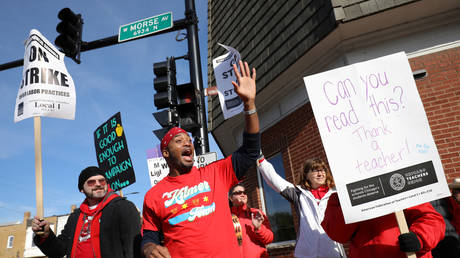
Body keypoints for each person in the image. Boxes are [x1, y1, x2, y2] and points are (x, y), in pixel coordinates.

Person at [141, 60, 260, 258]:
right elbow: (149, 237)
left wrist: (249, 105)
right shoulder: (153, 196)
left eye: (189, 140)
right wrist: (149, 249)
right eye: (179, 141)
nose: (188, 144)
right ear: (166, 153)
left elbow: (250, 150)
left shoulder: (216, 173)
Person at [31, 166, 142, 258]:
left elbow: (133, 249)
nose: (98, 184)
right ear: (81, 189)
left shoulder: (123, 207)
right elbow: (58, 251)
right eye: (91, 182)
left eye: (102, 181)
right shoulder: (76, 216)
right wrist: (45, 236)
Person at [257, 157, 346, 257]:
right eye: (315, 171)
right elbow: (274, 180)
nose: (320, 174)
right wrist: (261, 161)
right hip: (306, 254)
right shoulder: (299, 194)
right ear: (306, 175)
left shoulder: (337, 194)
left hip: (333, 253)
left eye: (323, 170)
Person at [321, 192, 445, 258]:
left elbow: (432, 219)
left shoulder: (402, 187)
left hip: (409, 255)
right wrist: (354, 198)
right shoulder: (340, 198)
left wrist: (419, 238)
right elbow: (337, 233)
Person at [229, 182, 274, 257]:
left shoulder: (256, 213)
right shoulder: (226, 216)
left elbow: (269, 239)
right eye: (239, 192)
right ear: (231, 198)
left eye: (244, 192)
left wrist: (258, 228)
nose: (243, 194)